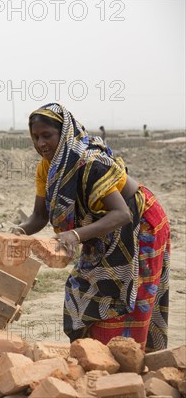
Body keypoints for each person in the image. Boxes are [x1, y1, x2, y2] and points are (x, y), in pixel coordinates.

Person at [12, 103, 170, 351]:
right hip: (102, 228)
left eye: (47, 135)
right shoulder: (47, 167)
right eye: (35, 137)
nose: (40, 143)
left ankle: (129, 361)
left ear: (63, 133)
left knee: (129, 295)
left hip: (140, 225)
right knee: (82, 289)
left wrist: (75, 234)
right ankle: (93, 357)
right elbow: (39, 216)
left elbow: (122, 214)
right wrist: (19, 232)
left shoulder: (89, 162)